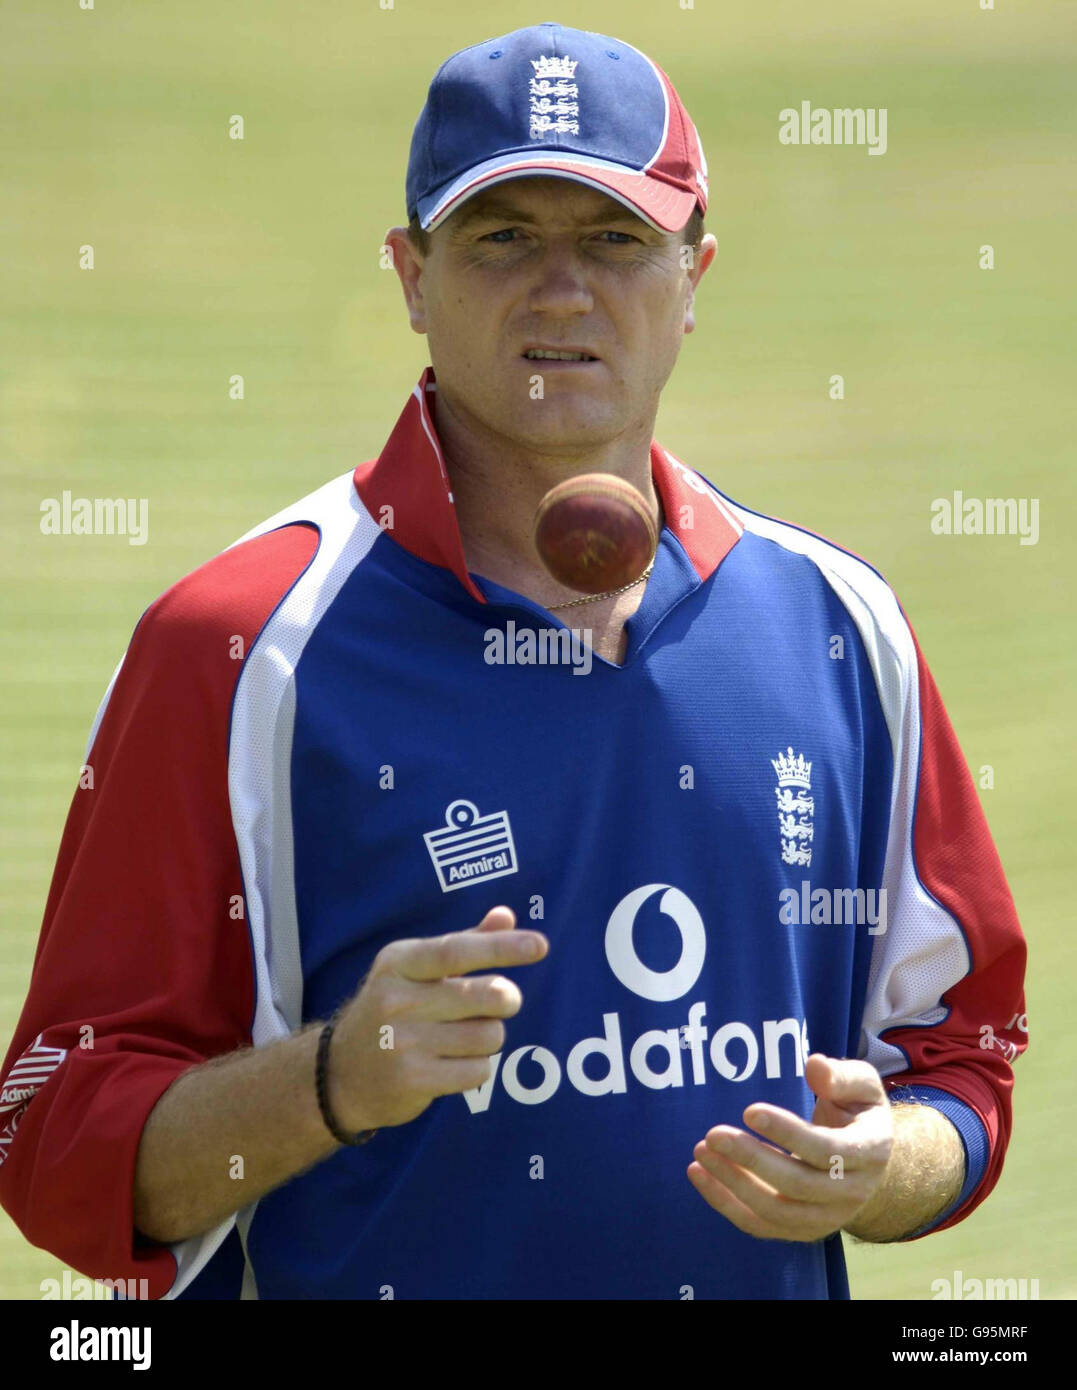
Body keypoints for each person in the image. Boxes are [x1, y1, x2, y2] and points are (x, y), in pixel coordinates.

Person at [0, 22, 1027, 1300]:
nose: (562, 290)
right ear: (411, 276)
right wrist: (334, 1081)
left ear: (694, 275)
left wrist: (888, 1164)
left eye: (613, 239)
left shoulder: (837, 624)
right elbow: (50, 1142)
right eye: (502, 238)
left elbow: (963, 1058)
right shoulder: (237, 644)